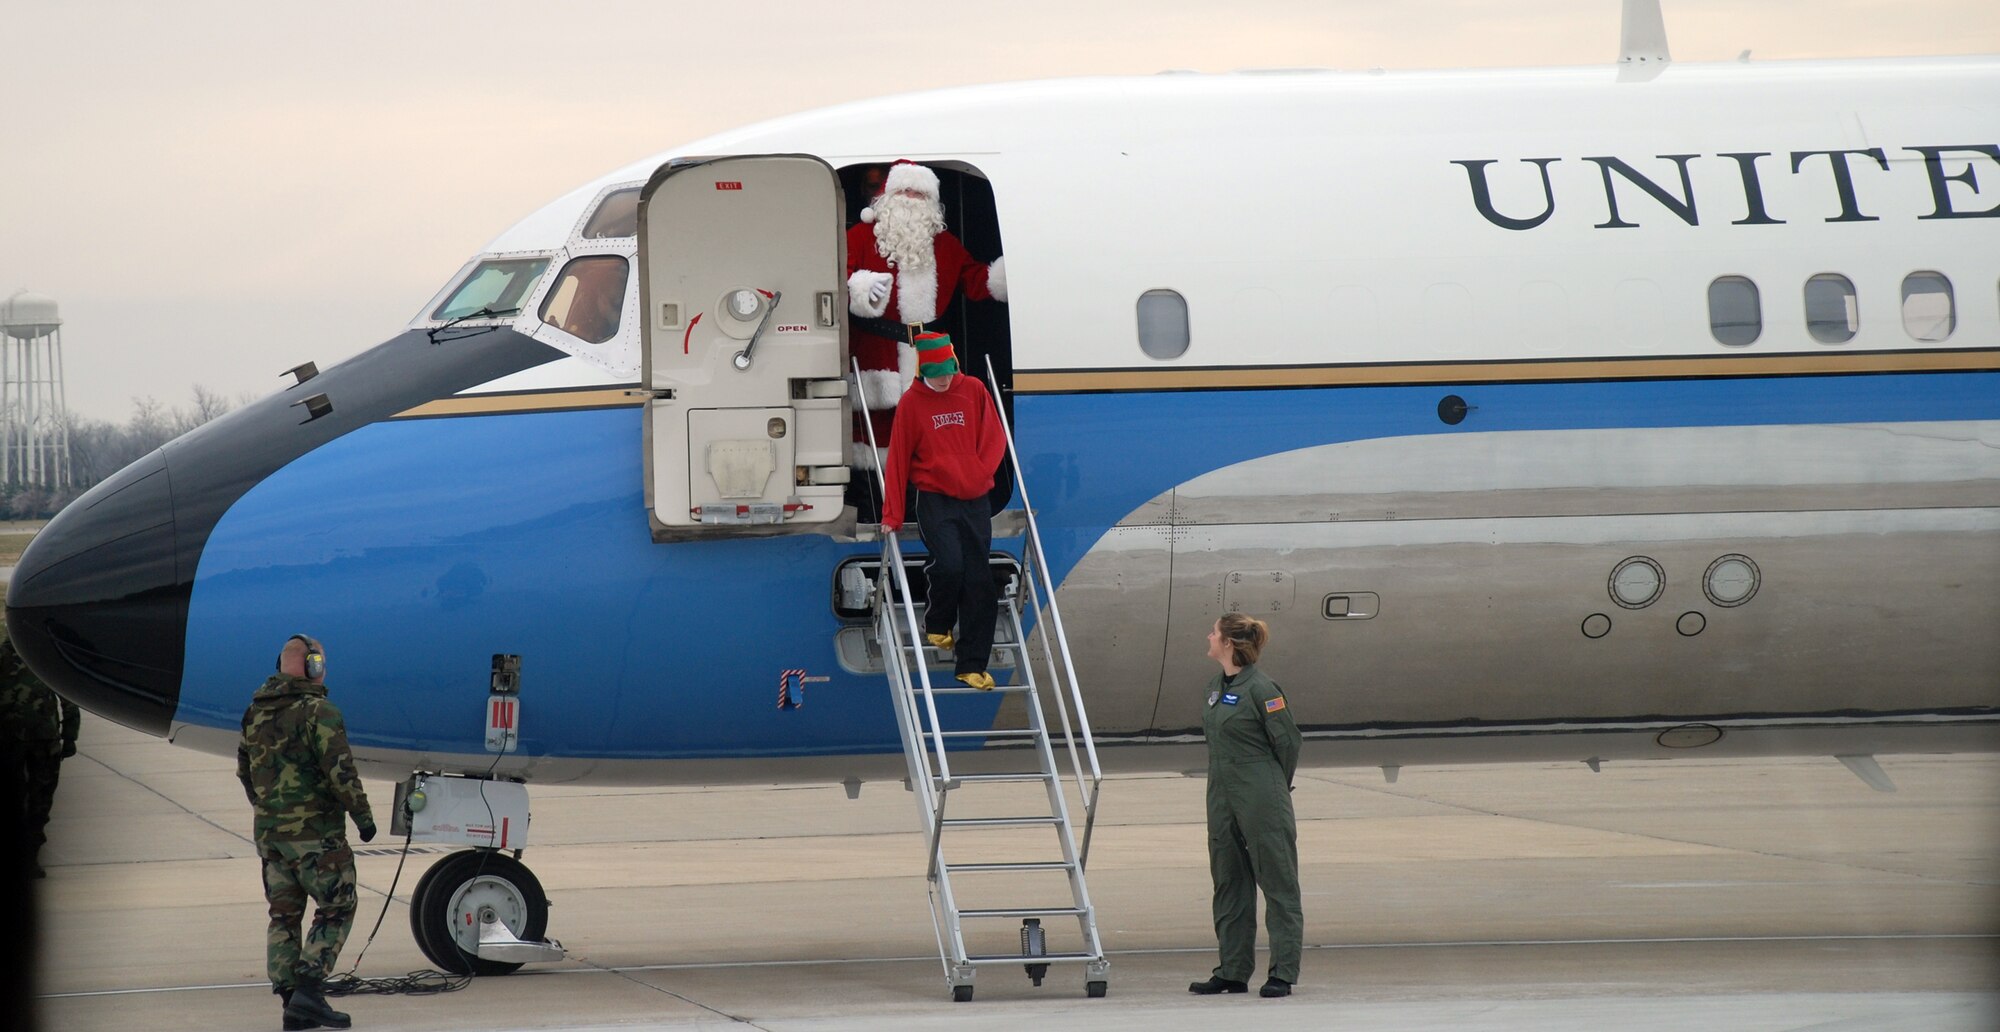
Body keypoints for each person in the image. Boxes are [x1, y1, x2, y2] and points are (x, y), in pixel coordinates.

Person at [238, 634, 376, 1031]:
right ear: (313, 666)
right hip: (317, 835)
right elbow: (341, 772)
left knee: (283, 916)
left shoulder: (254, 713)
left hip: (271, 836)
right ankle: (310, 991)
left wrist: (271, 812)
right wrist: (362, 818)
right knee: (338, 906)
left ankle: (291, 1002)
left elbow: (246, 773)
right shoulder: (320, 711)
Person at [845, 159, 1007, 468]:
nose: (911, 200)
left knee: (933, 428)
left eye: (919, 194)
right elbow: (839, 281)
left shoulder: (945, 245)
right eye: (904, 191)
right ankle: (876, 503)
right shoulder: (860, 238)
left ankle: (927, 497)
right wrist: (861, 289)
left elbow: (973, 280)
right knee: (876, 437)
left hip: (930, 350)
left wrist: (1000, 278)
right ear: (887, 197)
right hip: (876, 353)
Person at [880, 332, 1007, 690]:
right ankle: (937, 623)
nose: (945, 380)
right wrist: (892, 514)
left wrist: (980, 471)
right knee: (949, 565)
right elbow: (899, 460)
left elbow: (994, 435)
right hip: (935, 498)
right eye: (938, 375)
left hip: (975, 499)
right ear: (923, 370)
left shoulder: (973, 389)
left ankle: (971, 665)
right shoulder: (912, 403)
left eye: (949, 372)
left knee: (980, 583)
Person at [1188, 613, 1303, 999]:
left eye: (1214, 633)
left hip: (1260, 793)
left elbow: (1288, 741)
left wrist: (1273, 787)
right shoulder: (1214, 687)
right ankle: (1233, 971)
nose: (1209, 636)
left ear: (1229, 643)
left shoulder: (1263, 688)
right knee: (1229, 881)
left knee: (1277, 881)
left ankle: (1282, 973)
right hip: (1222, 793)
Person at [0, 618, 79, 879]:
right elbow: (69, 700)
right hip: (44, 741)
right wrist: (69, 737)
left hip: (12, 741)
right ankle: (30, 857)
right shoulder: (46, 658)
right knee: (40, 799)